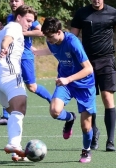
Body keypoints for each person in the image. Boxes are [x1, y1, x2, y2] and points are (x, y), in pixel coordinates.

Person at [70, 0, 116, 152]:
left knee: (107, 98)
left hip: (106, 61)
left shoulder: (113, 13)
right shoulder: (82, 13)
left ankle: (110, 140)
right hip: (86, 64)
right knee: (90, 100)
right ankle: (94, 131)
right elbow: (72, 39)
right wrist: (69, 60)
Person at [34, 17, 97, 163]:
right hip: (66, 83)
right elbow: (51, 49)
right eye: (46, 37)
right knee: (55, 111)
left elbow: (88, 68)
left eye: (50, 37)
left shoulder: (72, 42)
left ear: (59, 32)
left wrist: (68, 79)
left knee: (86, 126)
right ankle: (70, 118)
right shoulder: (52, 41)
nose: (48, 40)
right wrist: (36, 52)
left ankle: (86, 151)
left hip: (84, 85)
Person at [0, 5, 37, 161]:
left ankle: (16, 150)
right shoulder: (15, 28)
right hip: (11, 77)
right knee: (21, 108)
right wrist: (5, 47)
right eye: (28, 20)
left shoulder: (3, 30)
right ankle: (14, 144)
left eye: (32, 22)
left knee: (15, 113)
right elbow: (8, 39)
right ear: (19, 17)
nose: (29, 24)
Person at [0, 0, 52, 126]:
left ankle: (52, 100)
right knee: (7, 80)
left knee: (32, 86)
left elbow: (41, 32)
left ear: (22, 3)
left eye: (16, 1)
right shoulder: (9, 17)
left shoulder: (28, 17)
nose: (14, 3)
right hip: (11, 55)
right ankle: (6, 116)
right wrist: (2, 31)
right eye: (12, 1)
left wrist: (21, 33)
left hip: (25, 55)